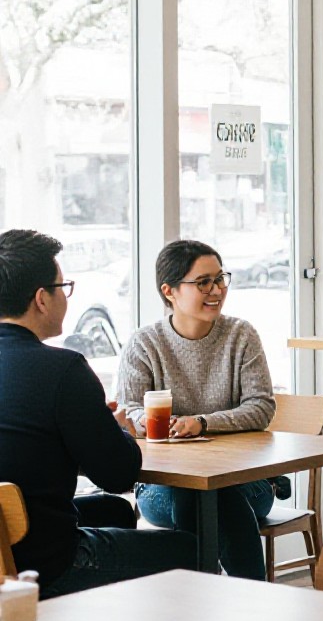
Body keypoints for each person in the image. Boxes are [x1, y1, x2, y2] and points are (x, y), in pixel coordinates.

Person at [0, 228, 195, 598]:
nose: (65, 297)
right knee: (195, 550)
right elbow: (119, 473)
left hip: (11, 537)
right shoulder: (62, 370)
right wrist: (114, 430)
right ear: (42, 299)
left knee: (114, 511)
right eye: (63, 287)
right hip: (43, 565)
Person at [118, 239, 276, 580]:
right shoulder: (145, 344)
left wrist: (202, 423)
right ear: (170, 291)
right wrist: (145, 420)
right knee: (197, 494)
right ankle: (250, 597)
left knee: (216, 493)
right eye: (203, 282)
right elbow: (130, 407)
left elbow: (262, 406)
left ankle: (200, 598)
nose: (216, 290)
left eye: (220, 279)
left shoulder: (240, 335)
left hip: (245, 480)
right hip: (163, 486)